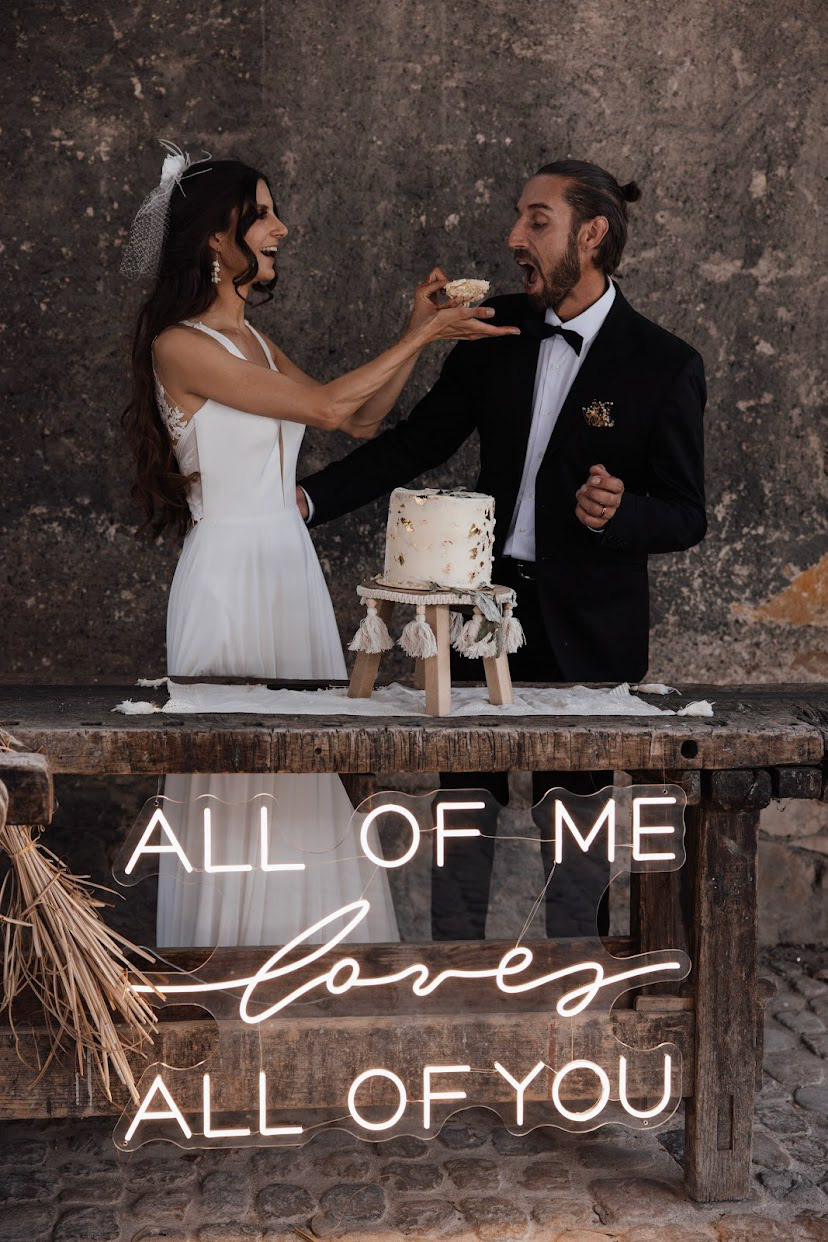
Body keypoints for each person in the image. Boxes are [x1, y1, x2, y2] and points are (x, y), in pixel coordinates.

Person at [120, 143, 519, 948]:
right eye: (262, 215)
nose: (282, 229)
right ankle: (236, 975)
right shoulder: (180, 345)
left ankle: (317, 975)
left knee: (308, 775)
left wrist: (416, 331)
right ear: (215, 238)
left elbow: (359, 419)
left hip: (287, 571)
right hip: (229, 576)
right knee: (236, 785)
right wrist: (426, 338)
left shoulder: (255, 343)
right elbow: (332, 410)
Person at [298, 158, 708, 940]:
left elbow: (687, 515)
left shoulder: (665, 364)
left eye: (537, 221)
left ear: (591, 234)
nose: (515, 236)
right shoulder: (494, 334)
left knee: (576, 844)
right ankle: (455, 981)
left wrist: (621, 513)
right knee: (462, 823)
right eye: (519, 217)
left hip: (588, 635)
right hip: (478, 615)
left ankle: (577, 988)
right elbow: (416, 443)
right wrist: (306, 504)